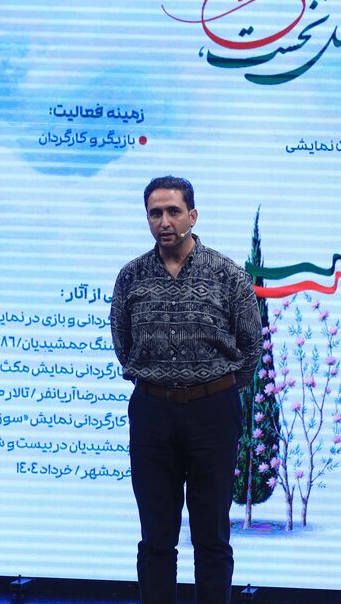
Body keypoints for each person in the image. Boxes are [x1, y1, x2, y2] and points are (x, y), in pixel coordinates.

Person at [110, 175, 263, 604]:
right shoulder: (131, 276)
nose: (164, 221)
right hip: (153, 413)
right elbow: (123, 344)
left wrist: (213, 388)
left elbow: (251, 346)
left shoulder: (227, 274)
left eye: (173, 211)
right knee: (156, 537)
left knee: (212, 535)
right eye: (155, 213)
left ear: (192, 216)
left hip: (212, 413)